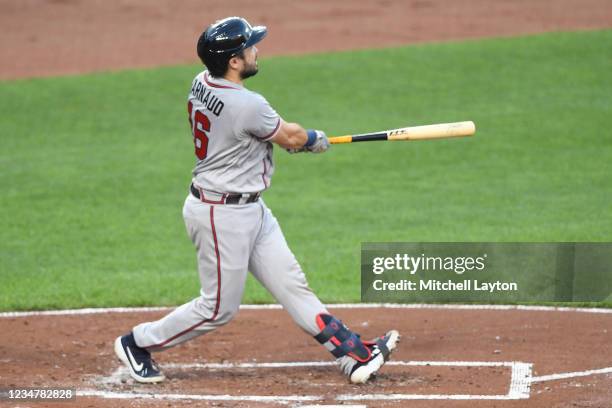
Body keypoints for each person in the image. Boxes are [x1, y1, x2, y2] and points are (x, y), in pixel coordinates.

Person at [114, 16, 399, 385]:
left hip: (250, 209)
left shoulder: (202, 82)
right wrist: (313, 139)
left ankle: (353, 356)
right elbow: (291, 137)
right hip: (220, 215)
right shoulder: (249, 105)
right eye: (249, 46)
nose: (255, 49)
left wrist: (288, 141)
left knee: (291, 284)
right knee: (218, 309)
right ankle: (136, 343)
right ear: (234, 61)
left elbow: (260, 136)